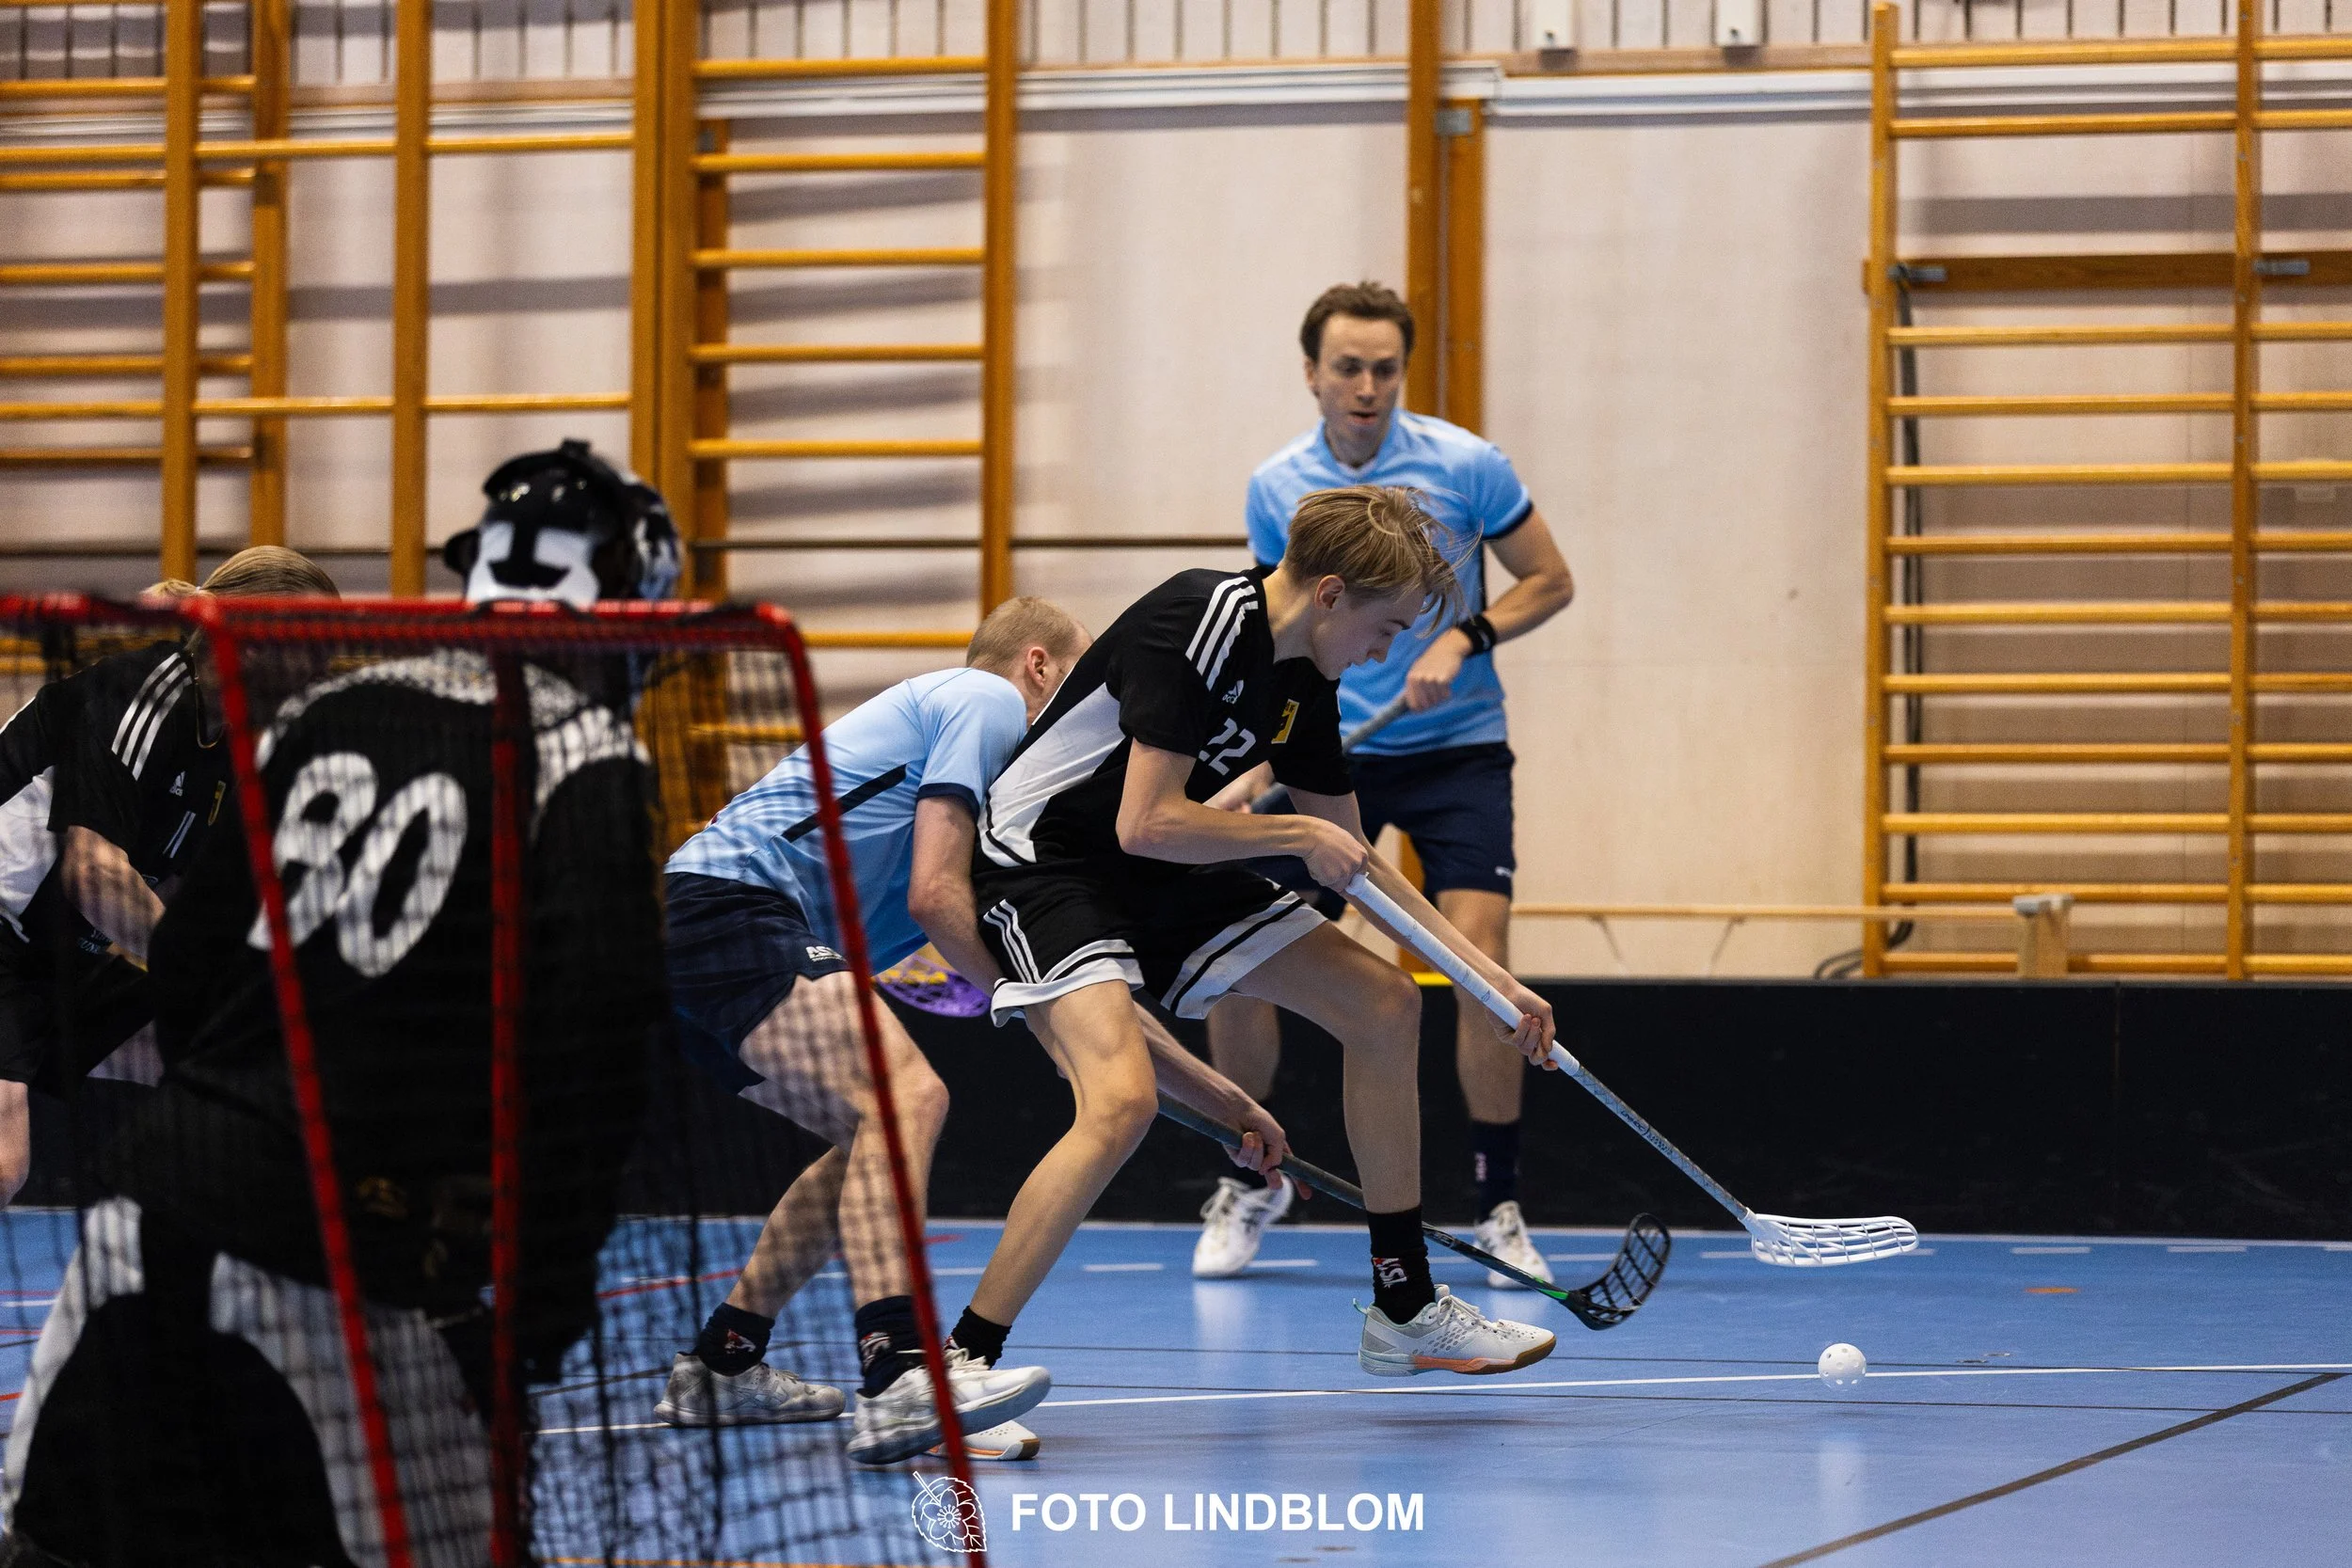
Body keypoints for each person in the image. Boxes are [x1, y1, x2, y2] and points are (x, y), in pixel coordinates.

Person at [0, 443, 675, 1564]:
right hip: (334, 1244)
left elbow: (203, 952)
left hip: (156, 1205)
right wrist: (538, 1309)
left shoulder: (341, 711)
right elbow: (595, 1052)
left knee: (59, 1537)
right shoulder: (585, 755)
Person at [946, 484, 1561, 1384]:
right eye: (1387, 626)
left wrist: (1485, 982)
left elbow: (1357, 862)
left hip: (1156, 872)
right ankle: (961, 1359)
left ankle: (1404, 1306)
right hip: (1046, 867)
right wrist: (1295, 834)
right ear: (1332, 594)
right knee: (1120, 1102)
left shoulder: (1308, 681)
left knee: (1386, 1003)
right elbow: (1144, 822)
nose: (1388, 649)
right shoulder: (1200, 617)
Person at [659, 596, 1293, 1465]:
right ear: (1038, 667)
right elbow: (933, 898)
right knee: (906, 1097)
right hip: (731, 903)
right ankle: (896, 1378)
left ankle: (723, 1360)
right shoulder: (983, 703)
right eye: (1081, 683)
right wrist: (1021, 998)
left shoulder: (1003, 819)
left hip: (708, 936)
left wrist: (1225, 1102)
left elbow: (1078, 998)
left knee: (863, 1138)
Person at [1193, 280, 1577, 1288]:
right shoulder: (1275, 484)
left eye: (1384, 368)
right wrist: (1255, 763)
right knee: (1237, 953)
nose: (1367, 387)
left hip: (1457, 748)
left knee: (1476, 949)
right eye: (1347, 368)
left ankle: (1496, 1201)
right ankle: (1248, 1174)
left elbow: (1550, 577)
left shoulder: (1467, 464)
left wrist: (1464, 632)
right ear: (1312, 373)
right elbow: (1279, 635)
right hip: (1329, 747)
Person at [0, 546, 340, 1206]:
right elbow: (94, 873)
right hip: (5, 932)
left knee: (236, 1064)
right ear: (255, 638)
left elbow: (186, 896)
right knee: (5, 1159)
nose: (324, 666)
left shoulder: (236, 750)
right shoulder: (143, 691)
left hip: (60, 958)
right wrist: (205, 972)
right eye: (313, 643)